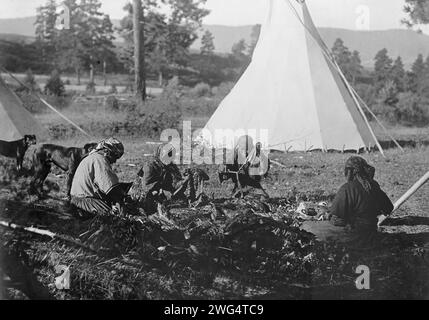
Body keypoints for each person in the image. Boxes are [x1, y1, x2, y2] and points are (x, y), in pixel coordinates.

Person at [301, 156, 393, 244]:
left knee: (306, 227)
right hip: (371, 232)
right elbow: (388, 208)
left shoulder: (347, 188)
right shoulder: (373, 185)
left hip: (354, 235)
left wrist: (327, 215)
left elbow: (337, 222)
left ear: (350, 172)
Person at [70, 137, 129, 216]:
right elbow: (110, 187)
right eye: (115, 156)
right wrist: (122, 200)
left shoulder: (93, 157)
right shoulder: (99, 160)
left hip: (77, 200)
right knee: (115, 217)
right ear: (106, 151)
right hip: (85, 202)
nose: (115, 161)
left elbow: (104, 185)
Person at [130, 144, 182, 214]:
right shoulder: (150, 166)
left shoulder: (170, 166)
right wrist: (161, 192)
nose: (169, 158)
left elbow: (176, 182)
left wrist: (182, 182)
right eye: (166, 155)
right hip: (141, 194)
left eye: (171, 156)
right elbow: (145, 187)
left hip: (157, 190)